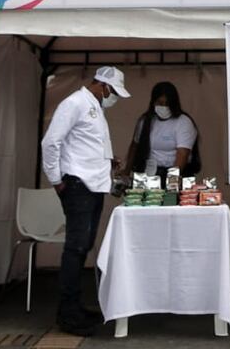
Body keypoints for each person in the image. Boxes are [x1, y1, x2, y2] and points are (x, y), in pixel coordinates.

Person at [41, 66, 130, 337]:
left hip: (92, 185)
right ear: (103, 86)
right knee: (76, 247)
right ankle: (67, 314)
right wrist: (56, 180)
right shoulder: (75, 103)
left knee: (83, 246)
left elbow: (83, 144)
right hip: (78, 185)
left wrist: (108, 160)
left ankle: (75, 307)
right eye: (113, 92)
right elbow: (51, 142)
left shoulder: (93, 107)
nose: (113, 98)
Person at [122, 81, 198, 177]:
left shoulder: (183, 122)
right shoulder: (145, 121)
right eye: (160, 103)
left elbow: (182, 154)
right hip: (150, 173)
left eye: (167, 104)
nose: (164, 107)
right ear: (153, 102)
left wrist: (172, 179)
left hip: (174, 172)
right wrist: (126, 171)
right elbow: (134, 147)